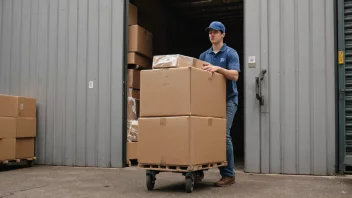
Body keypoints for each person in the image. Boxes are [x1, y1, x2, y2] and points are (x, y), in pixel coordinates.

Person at [199, 21, 240, 187]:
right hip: (210, 101)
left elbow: (235, 75)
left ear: (223, 34)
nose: (212, 35)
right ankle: (198, 170)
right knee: (201, 132)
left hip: (228, 100)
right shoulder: (203, 56)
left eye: (216, 32)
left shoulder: (230, 53)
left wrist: (218, 69)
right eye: (210, 32)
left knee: (223, 135)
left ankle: (229, 175)